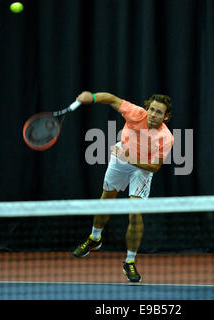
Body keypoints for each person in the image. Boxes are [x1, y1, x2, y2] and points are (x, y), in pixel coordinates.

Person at [72, 91, 174, 282]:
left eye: (158, 112)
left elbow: (154, 167)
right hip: (120, 160)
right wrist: (91, 97)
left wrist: (131, 160)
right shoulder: (135, 113)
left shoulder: (166, 138)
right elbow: (111, 99)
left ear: (165, 116)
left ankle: (129, 261)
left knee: (135, 214)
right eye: (151, 109)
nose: (153, 114)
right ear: (147, 109)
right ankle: (95, 238)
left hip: (141, 169)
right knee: (106, 201)